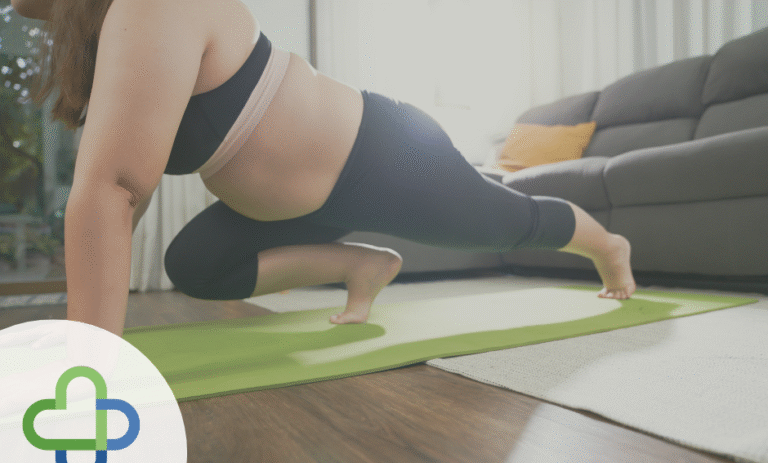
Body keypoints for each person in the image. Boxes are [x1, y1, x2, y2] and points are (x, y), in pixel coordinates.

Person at [14, 0, 636, 339]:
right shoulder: (121, 32)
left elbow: (114, 190)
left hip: (385, 156)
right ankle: (362, 265)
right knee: (196, 266)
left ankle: (608, 245)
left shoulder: (155, 3)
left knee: (509, 222)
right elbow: (125, 196)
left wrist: (88, 363)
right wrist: (91, 326)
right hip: (294, 208)